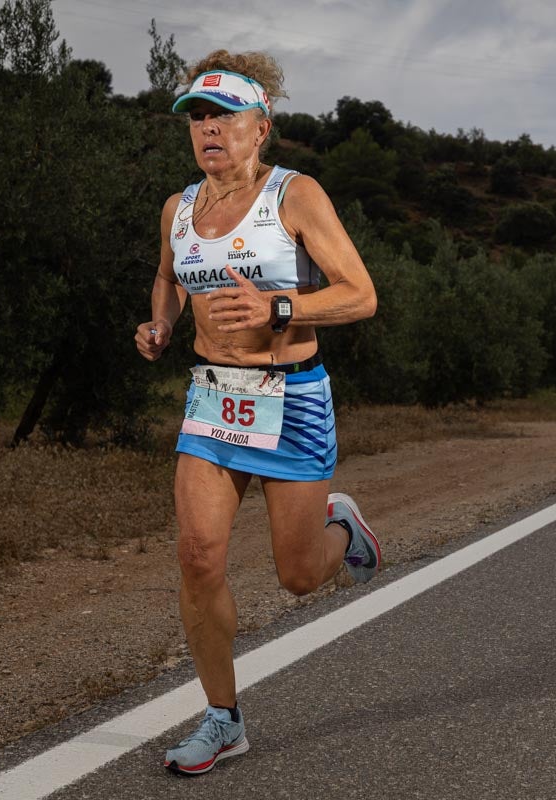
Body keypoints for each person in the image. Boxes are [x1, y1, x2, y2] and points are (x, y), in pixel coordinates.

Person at [134, 50, 380, 776]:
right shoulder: (178, 209)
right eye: (197, 119)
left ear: (260, 126)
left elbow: (361, 294)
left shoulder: (295, 196)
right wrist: (162, 324)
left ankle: (343, 528)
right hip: (212, 396)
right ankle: (223, 719)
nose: (208, 131)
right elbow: (167, 276)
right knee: (197, 554)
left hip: (292, 397)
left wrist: (283, 307)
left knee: (299, 578)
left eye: (223, 117)